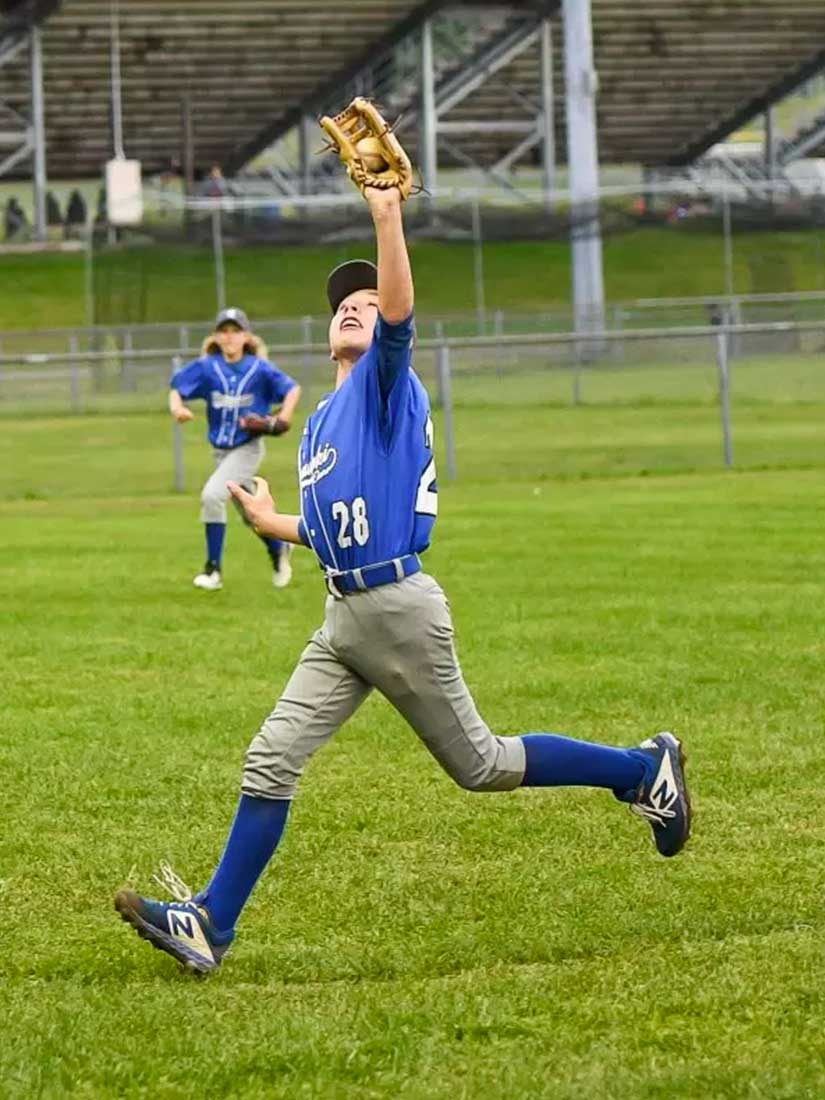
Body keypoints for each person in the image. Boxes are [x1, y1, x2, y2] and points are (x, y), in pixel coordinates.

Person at [115, 178, 691, 975]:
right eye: (339, 303)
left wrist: (386, 213)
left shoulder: (387, 386)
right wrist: (271, 523)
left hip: (398, 609)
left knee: (481, 765)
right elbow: (325, 532)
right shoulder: (320, 423)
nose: (353, 304)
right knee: (269, 760)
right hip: (341, 620)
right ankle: (211, 923)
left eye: (364, 297)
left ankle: (640, 769)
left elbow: (398, 319)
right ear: (322, 338)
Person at [169, 307, 302, 590]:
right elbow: (177, 386)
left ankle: (212, 570)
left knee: (212, 496)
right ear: (216, 336)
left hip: (247, 448)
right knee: (251, 512)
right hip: (221, 453)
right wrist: (177, 407)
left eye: (236, 331)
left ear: (246, 336)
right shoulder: (208, 367)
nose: (229, 337)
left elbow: (292, 389)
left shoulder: (259, 368)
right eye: (224, 331)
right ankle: (279, 547)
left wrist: (284, 418)